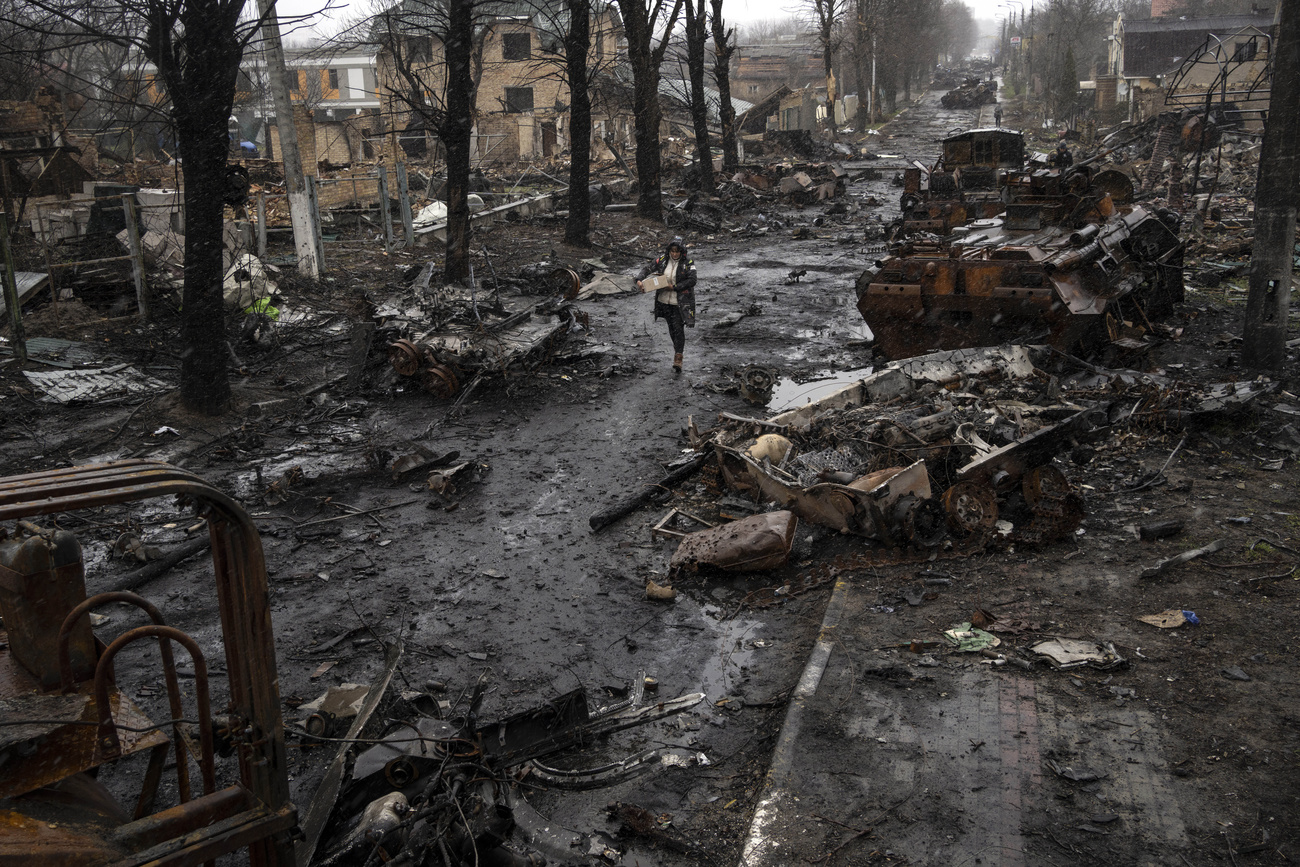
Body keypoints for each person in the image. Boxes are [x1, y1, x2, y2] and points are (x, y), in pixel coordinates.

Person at [636, 237, 697, 374]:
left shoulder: (688, 263)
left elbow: (692, 280)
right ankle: (677, 351)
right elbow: (648, 268)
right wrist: (639, 280)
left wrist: (674, 287)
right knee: (671, 327)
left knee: (678, 327)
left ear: (682, 252)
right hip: (664, 301)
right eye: (672, 251)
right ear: (669, 250)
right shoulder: (662, 260)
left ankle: (678, 356)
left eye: (677, 251)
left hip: (679, 302)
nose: (674, 254)